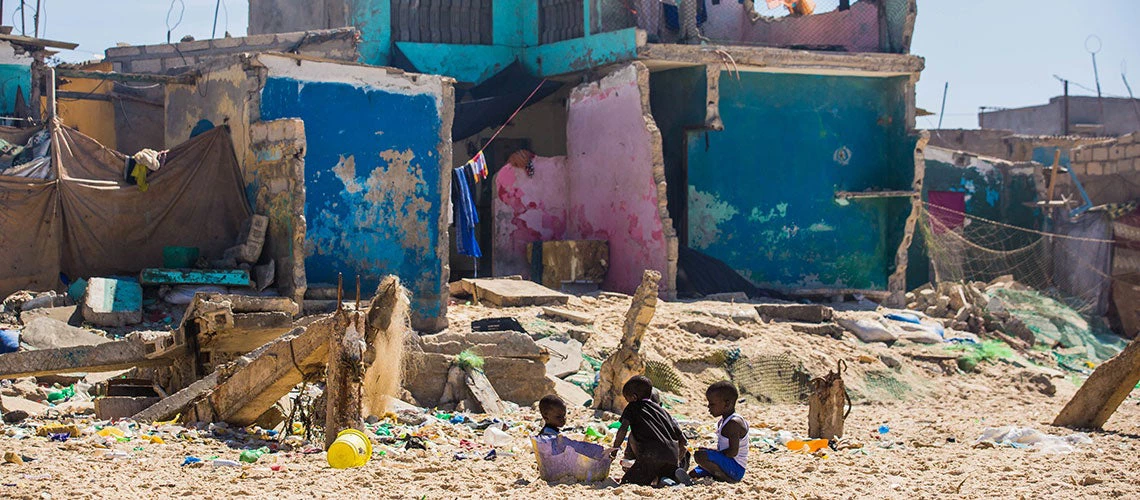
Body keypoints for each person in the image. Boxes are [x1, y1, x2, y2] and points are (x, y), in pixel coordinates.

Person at [610, 376, 688, 486]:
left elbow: (623, 429)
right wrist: (677, 460)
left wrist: (614, 451)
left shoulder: (632, 407)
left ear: (634, 397)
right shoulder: (663, 411)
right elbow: (683, 441)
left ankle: (663, 480)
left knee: (628, 481)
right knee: (660, 474)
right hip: (671, 458)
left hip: (650, 456)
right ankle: (668, 478)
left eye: (626, 398)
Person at [690, 381, 749, 483]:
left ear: (727, 404)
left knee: (700, 456)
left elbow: (732, 452)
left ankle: (726, 479)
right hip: (727, 462)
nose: (709, 407)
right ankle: (715, 473)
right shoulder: (723, 421)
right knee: (693, 474)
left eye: (712, 404)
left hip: (735, 468)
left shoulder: (733, 423)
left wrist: (712, 453)